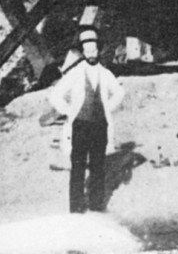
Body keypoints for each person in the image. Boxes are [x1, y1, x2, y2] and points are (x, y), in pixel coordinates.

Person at [47, 26, 124, 213]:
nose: (91, 53)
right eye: (87, 50)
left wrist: (107, 108)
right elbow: (55, 95)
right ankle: (76, 208)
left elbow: (119, 92)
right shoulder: (74, 73)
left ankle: (97, 207)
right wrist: (70, 112)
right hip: (80, 126)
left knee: (98, 167)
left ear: (98, 50)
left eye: (94, 49)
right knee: (78, 167)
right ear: (83, 52)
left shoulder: (105, 73)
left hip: (100, 125)